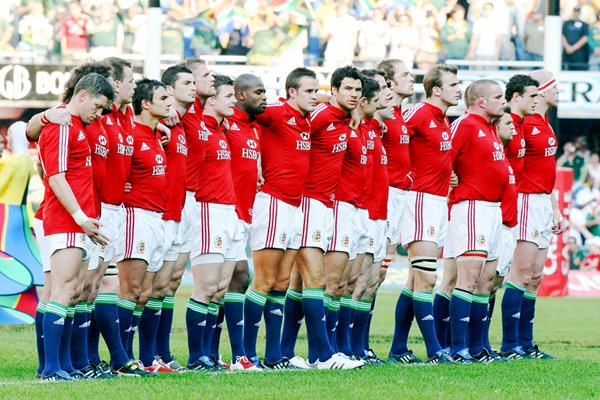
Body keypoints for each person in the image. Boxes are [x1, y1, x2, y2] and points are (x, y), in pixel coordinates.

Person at [284, 66, 363, 370]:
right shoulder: (319, 116)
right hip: (307, 202)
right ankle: (324, 355)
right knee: (315, 279)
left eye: (358, 90)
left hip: (325, 204)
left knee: (298, 283)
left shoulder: (344, 120)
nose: (354, 95)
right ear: (333, 91)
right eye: (348, 90)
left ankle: (286, 352)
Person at [38, 73, 113, 381]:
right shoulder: (61, 124)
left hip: (80, 220)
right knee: (62, 290)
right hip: (66, 219)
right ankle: (52, 369)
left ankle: (63, 365)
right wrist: (80, 216)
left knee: (73, 292)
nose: (99, 113)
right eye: (97, 105)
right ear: (82, 95)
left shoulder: (80, 126)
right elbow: (55, 176)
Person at [390, 64, 461, 364]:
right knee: (426, 278)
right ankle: (435, 349)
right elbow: (391, 136)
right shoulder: (418, 113)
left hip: (436, 201)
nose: (459, 89)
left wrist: (449, 175)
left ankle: (398, 349)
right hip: (418, 199)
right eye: (453, 84)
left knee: (414, 281)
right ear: (436, 90)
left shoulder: (443, 119)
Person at [501, 70, 564, 360]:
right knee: (521, 274)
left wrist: (555, 209)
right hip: (525, 199)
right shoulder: (524, 122)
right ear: (542, 92)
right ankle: (510, 344)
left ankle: (526, 344)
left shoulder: (545, 123)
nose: (558, 92)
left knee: (536, 277)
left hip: (541, 202)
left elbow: (546, 170)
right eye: (555, 87)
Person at [445, 79, 508, 363]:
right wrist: (448, 177)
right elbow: (442, 155)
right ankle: (457, 348)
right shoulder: (465, 124)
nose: (503, 101)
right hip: (472, 208)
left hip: (493, 210)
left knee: (486, 282)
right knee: (468, 280)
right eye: (498, 97)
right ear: (480, 101)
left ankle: (476, 347)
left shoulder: (491, 128)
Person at [139, 65, 195, 373]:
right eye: (188, 81)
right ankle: (146, 356)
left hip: (178, 210)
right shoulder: (161, 122)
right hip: (157, 212)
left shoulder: (184, 123)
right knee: (149, 287)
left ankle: (160, 352)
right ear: (169, 91)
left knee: (169, 285)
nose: (196, 86)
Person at [115, 78, 171, 374]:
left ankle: (136, 357)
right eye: (163, 97)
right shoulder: (132, 134)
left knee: (146, 293)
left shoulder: (154, 135)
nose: (169, 102)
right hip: (135, 215)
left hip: (155, 217)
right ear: (145, 103)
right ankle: (122, 358)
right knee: (131, 289)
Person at [186, 74, 240, 371]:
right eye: (229, 95)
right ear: (211, 99)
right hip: (208, 210)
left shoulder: (222, 129)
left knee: (220, 289)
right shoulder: (196, 124)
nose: (234, 100)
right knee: (205, 288)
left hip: (229, 211)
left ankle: (210, 353)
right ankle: (197, 356)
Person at [223, 73, 266, 371]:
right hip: (222, 211)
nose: (264, 96)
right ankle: (238, 354)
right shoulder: (225, 123)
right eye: (259, 92)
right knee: (235, 277)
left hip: (245, 212)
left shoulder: (253, 128)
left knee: (236, 279)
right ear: (240, 95)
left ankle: (223, 355)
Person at [562, 6, 589, 71]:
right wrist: (567, 47)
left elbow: (585, 38)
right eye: (575, 12)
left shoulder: (584, 24)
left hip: (579, 54)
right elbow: (562, 36)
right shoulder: (566, 23)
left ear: (580, 13)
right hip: (567, 53)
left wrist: (573, 48)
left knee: (579, 72)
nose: (576, 13)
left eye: (578, 12)